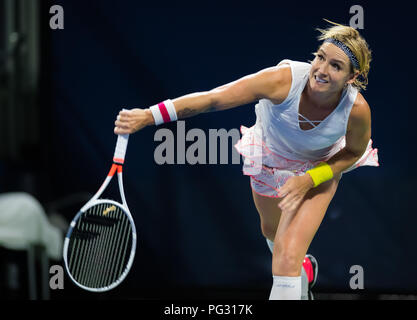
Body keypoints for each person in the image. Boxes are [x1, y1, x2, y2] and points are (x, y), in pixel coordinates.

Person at [114, 20, 379, 300]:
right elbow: (213, 99)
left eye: (335, 66)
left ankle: (294, 276)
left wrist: (310, 178)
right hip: (268, 157)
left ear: (352, 77)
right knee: (273, 233)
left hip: (318, 169)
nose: (321, 70)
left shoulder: (357, 110)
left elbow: (352, 152)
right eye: (320, 57)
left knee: (286, 257)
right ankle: (303, 274)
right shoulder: (282, 80)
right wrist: (149, 115)